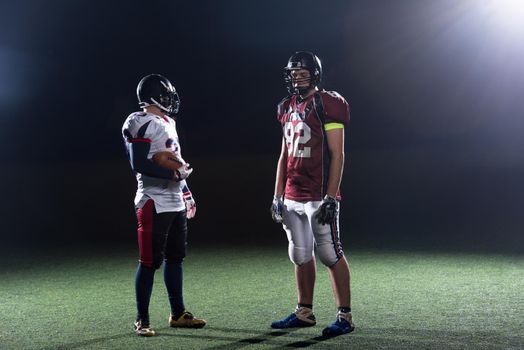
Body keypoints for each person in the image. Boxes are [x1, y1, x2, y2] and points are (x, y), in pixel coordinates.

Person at [270, 52, 355, 336]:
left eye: (303, 71)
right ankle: (304, 311)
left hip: (318, 194)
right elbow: (284, 155)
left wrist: (331, 196)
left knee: (330, 253)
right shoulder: (286, 106)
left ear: (315, 73)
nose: (297, 76)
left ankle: (345, 316)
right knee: (299, 253)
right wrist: (277, 195)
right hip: (292, 194)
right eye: (293, 72)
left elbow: (337, 153)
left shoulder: (327, 104)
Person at [122, 74, 206, 337]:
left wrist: (186, 191)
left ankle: (178, 313)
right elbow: (140, 164)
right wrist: (173, 175)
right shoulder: (139, 121)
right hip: (152, 200)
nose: (171, 100)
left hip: (173, 200)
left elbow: (176, 161)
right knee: (149, 262)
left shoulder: (168, 121)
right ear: (154, 96)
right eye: (167, 95)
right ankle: (142, 319)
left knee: (176, 258)